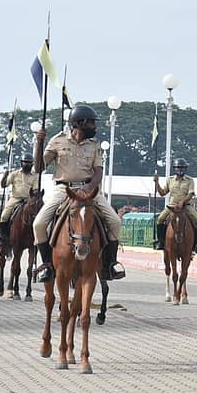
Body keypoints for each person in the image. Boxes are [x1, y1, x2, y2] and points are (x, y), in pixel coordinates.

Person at [31, 105, 125, 282]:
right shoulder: (57, 141)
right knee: (39, 224)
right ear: (79, 123)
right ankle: (46, 265)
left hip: (89, 190)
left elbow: (98, 172)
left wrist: (88, 189)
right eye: (91, 123)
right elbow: (39, 167)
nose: (95, 127)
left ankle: (110, 264)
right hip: (63, 189)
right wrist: (39, 143)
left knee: (114, 221)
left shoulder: (94, 145)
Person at [153, 158, 197, 253]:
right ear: (175, 168)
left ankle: (196, 244)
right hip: (172, 206)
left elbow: (190, 194)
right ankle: (161, 242)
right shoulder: (170, 180)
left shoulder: (190, 180)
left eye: (183, 167)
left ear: (186, 168)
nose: (181, 169)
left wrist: (182, 203)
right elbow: (163, 193)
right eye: (178, 167)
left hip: (185, 206)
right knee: (160, 219)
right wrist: (157, 183)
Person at [0, 153, 38, 243]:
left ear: (32, 164)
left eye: (29, 163)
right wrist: (4, 176)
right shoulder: (14, 174)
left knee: (38, 216)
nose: (27, 164)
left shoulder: (35, 176)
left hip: (29, 200)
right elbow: (4, 185)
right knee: (4, 215)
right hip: (15, 199)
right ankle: (2, 235)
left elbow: (35, 190)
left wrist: (32, 198)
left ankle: (37, 237)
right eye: (25, 162)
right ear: (21, 163)